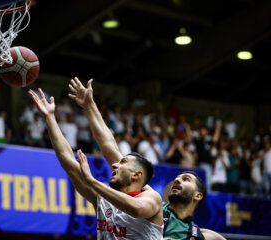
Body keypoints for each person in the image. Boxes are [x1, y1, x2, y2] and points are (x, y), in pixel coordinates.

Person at [67, 77, 225, 240]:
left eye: (186, 179)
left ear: (197, 196)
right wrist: (90, 106)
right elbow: (110, 148)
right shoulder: (153, 203)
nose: (177, 180)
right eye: (178, 178)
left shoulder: (199, 234)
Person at [29, 87, 164, 240]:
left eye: (123, 162)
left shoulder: (152, 198)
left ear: (137, 175)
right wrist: (50, 117)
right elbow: (67, 159)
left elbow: (137, 210)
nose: (114, 165)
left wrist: (92, 181)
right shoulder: (103, 200)